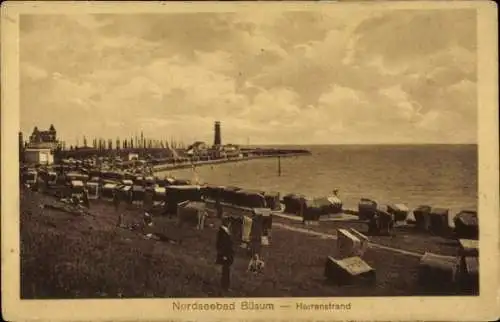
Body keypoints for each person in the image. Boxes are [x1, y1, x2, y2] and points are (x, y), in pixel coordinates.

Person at [216, 217, 234, 291]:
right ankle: (225, 286)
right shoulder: (223, 232)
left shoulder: (225, 231)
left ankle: (225, 285)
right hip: (225, 254)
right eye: (229, 222)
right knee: (226, 270)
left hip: (227, 254)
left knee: (226, 270)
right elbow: (221, 244)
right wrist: (224, 255)